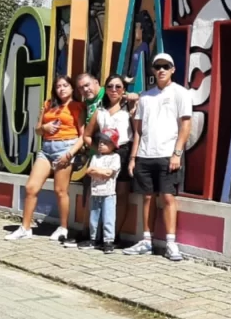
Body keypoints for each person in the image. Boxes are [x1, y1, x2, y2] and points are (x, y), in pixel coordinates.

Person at [125, 52, 191, 261]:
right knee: (147, 197)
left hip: (167, 154)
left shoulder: (181, 93)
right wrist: (133, 158)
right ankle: (146, 240)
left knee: (168, 197)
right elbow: (138, 131)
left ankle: (171, 243)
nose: (161, 70)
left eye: (165, 66)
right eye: (157, 66)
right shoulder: (145, 97)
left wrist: (177, 153)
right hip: (145, 154)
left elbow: (186, 125)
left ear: (172, 69)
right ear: (153, 70)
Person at [5, 75, 85, 242]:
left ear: (72, 88)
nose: (61, 89)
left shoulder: (77, 106)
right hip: (47, 148)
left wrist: (69, 154)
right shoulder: (48, 104)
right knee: (31, 188)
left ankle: (63, 228)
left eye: (65, 85)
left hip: (65, 148)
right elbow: (37, 130)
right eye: (58, 86)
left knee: (60, 190)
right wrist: (45, 127)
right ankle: (25, 228)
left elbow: (83, 136)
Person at [83, 73, 135, 245]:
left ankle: (114, 236)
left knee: (120, 195)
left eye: (118, 87)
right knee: (98, 194)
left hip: (124, 152)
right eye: (110, 86)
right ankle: (95, 236)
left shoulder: (129, 109)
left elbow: (137, 132)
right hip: (104, 155)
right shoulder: (100, 111)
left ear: (123, 90)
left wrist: (134, 98)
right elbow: (87, 135)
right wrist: (98, 149)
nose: (114, 90)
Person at [80, 129, 121, 253]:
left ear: (113, 144)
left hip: (108, 193)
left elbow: (109, 173)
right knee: (94, 217)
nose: (101, 145)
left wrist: (97, 171)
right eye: (100, 142)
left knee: (108, 217)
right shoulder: (95, 157)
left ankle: (108, 241)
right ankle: (94, 239)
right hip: (95, 192)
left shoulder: (115, 157)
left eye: (105, 142)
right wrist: (101, 172)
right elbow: (88, 171)